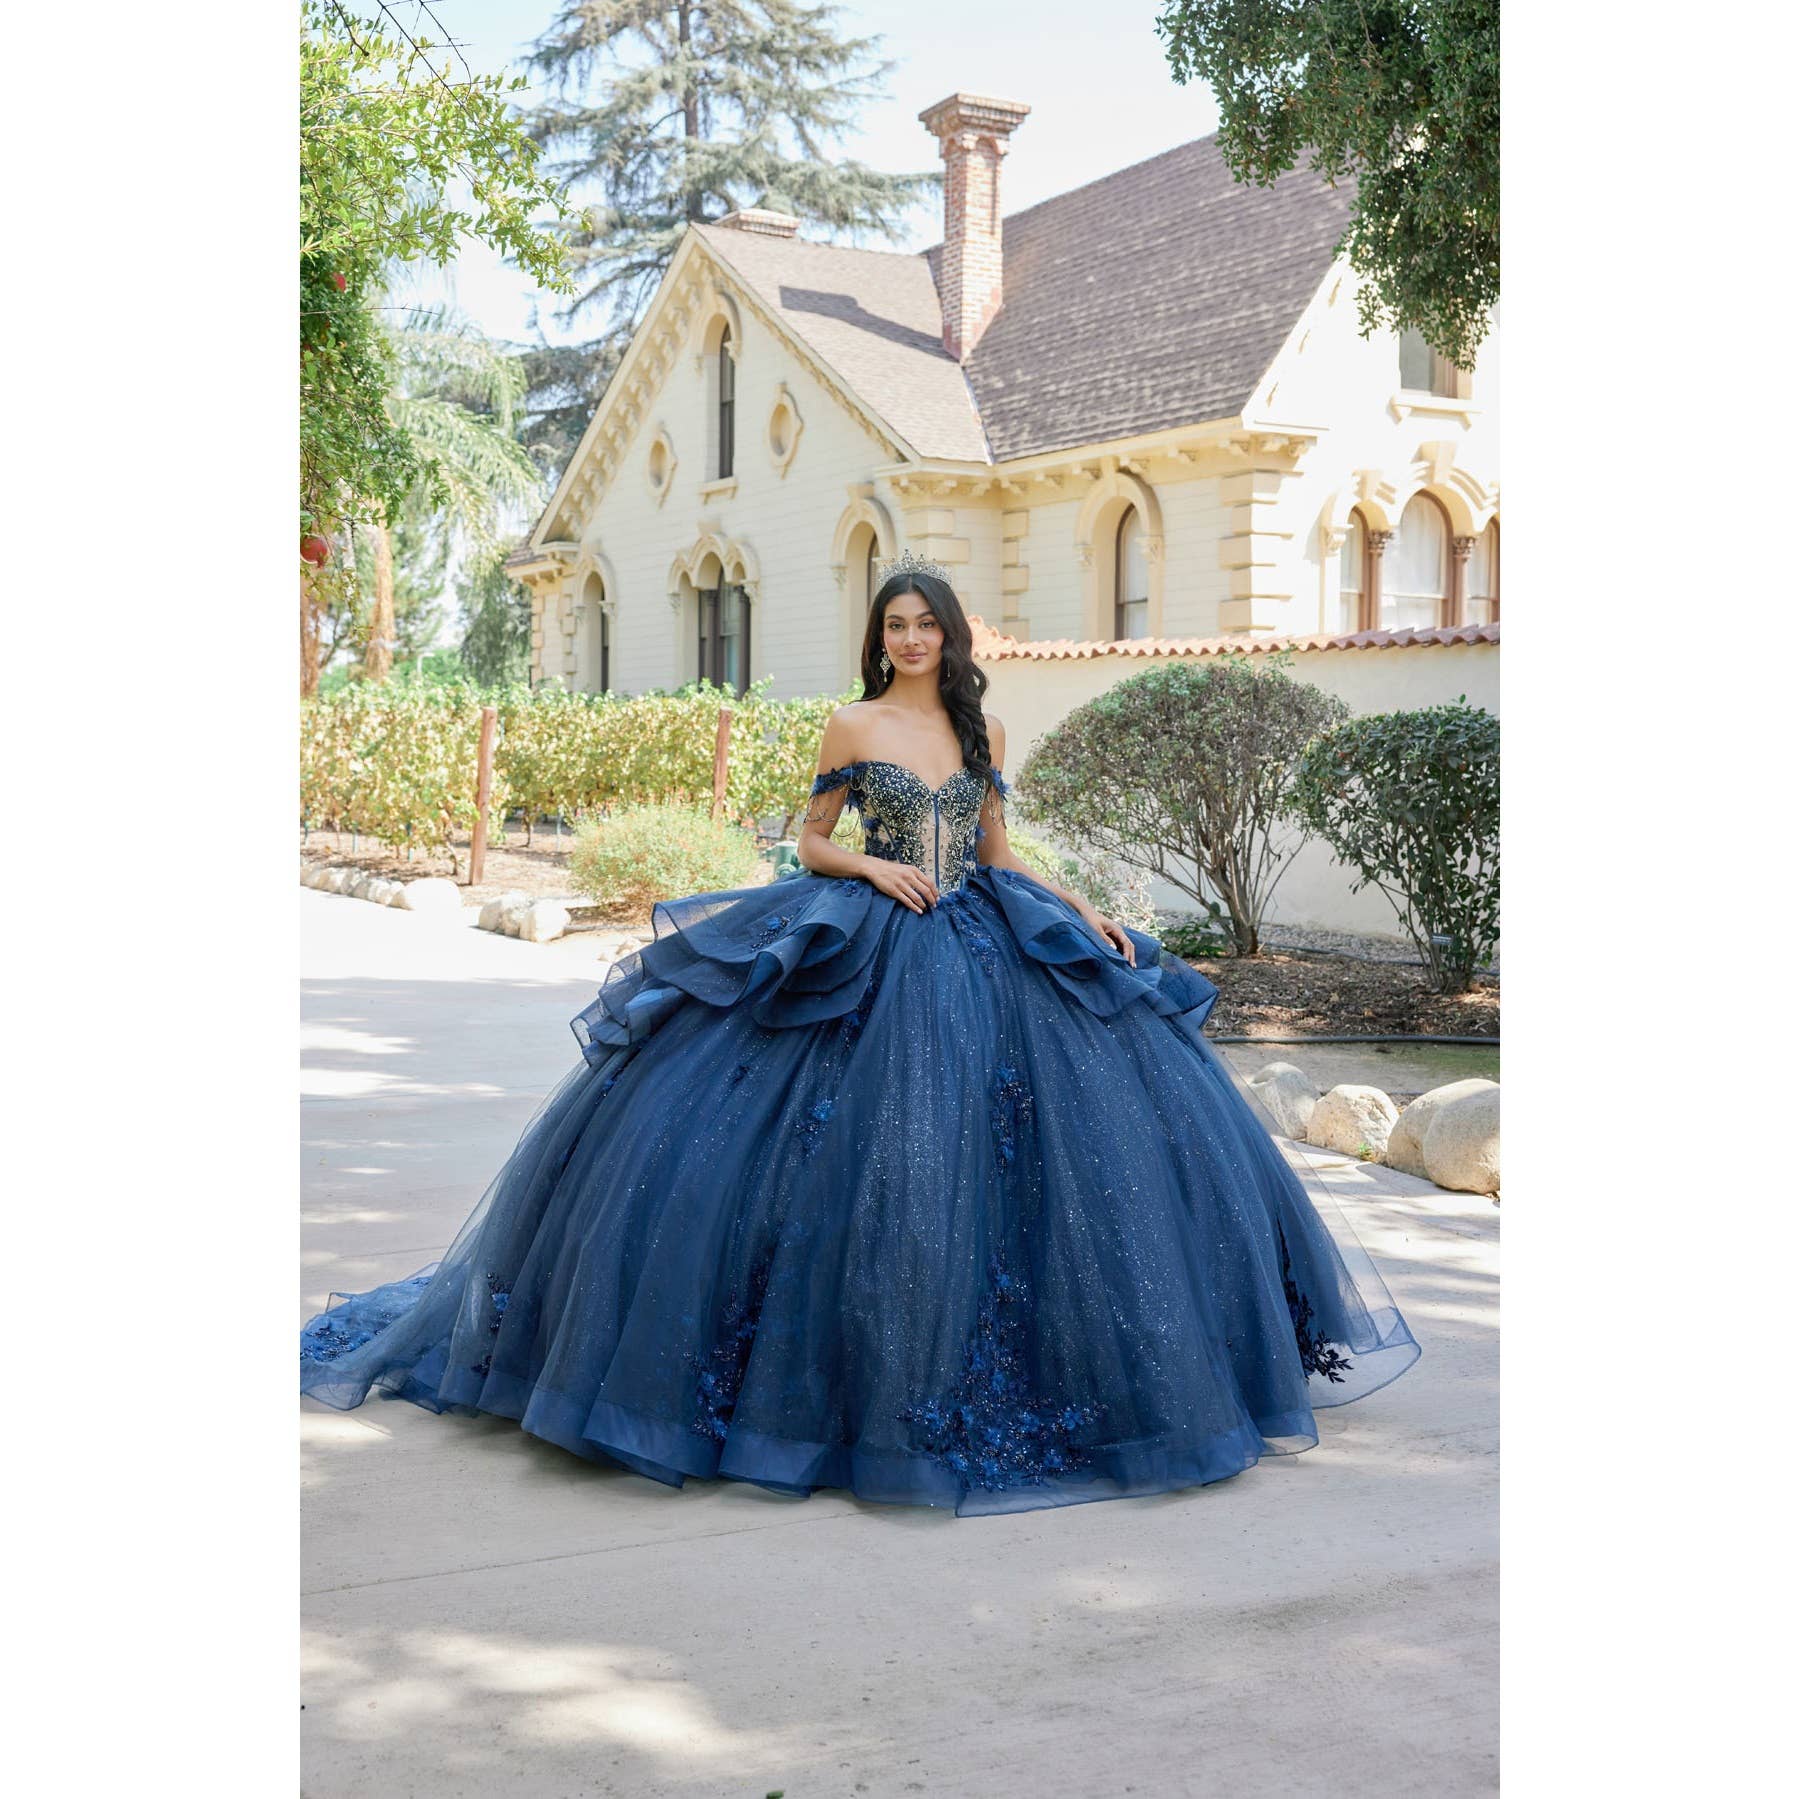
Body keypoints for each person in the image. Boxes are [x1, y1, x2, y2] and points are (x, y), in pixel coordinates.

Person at [300, 549, 1420, 1515]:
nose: (913, 636)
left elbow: (995, 852)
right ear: (878, 635)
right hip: (872, 930)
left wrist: (1081, 907)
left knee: (1056, 1131)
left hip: (979, 929)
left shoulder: (972, 723)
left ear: (952, 634)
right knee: (817, 1140)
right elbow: (808, 841)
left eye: (927, 621)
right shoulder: (855, 720)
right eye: (896, 622)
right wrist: (875, 863)